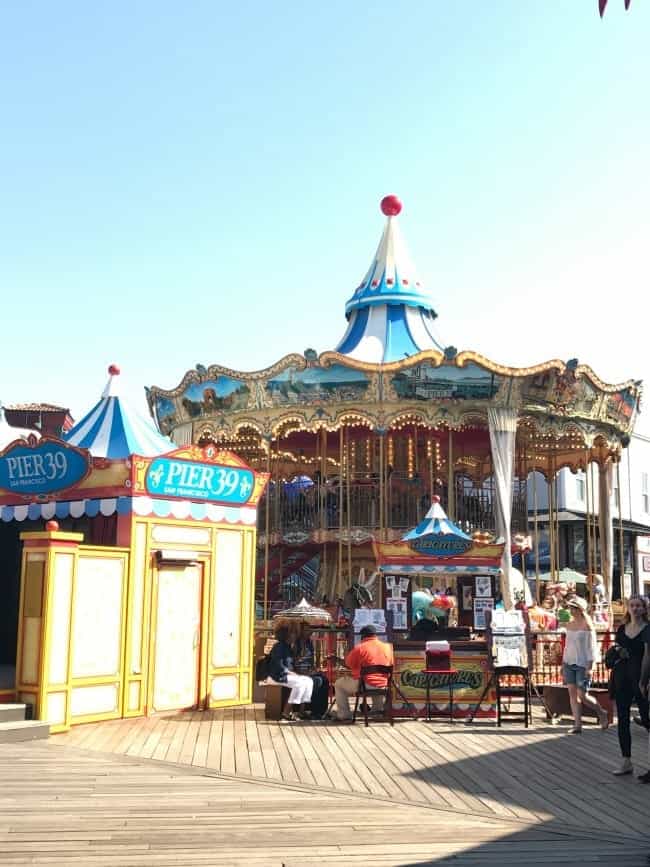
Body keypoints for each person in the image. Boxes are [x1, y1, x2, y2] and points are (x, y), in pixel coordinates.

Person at [609, 595, 650, 776]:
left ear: (644, 609)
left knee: (646, 718)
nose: (635, 609)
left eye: (638, 606)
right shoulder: (622, 628)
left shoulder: (647, 629)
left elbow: (648, 656)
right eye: (632, 605)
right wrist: (618, 651)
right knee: (623, 720)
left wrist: (643, 680)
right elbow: (617, 647)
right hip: (622, 677)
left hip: (639, 677)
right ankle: (626, 761)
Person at [562, 596, 609, 734]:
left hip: (583, 663)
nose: (570, 610)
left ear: (579, 609)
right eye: (570, 607)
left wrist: (591, 665)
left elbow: (592, 647)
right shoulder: (570, 624)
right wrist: (563, 663)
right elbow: (567, 646)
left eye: (572, 608)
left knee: (582, 694)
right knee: (572, 693)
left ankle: (601, 712)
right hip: (569, 662)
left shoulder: (587, 625)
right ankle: (577, 724)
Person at [334, 625, 394, 721]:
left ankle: (344, 714)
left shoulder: (360, 648)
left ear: (362, 636)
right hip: (384, 684)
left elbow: (348, 664)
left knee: (339, 684)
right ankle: (376, 712)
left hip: (365, 685)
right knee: (377, 680)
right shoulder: (387, 647)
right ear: (375, 635)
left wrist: (336, 659)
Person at [267, 625, 313, 720]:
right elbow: (279, 665)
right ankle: (286, 712)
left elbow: (291, 662)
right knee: (299, 683)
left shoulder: (288, 646)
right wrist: (291, 673)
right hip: (279, 675)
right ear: (287, 635)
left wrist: (297, 660)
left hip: (288, 674)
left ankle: (301, 711)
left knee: (308, 681)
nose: (295, 636)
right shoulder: (279, 646)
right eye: (293, 634)